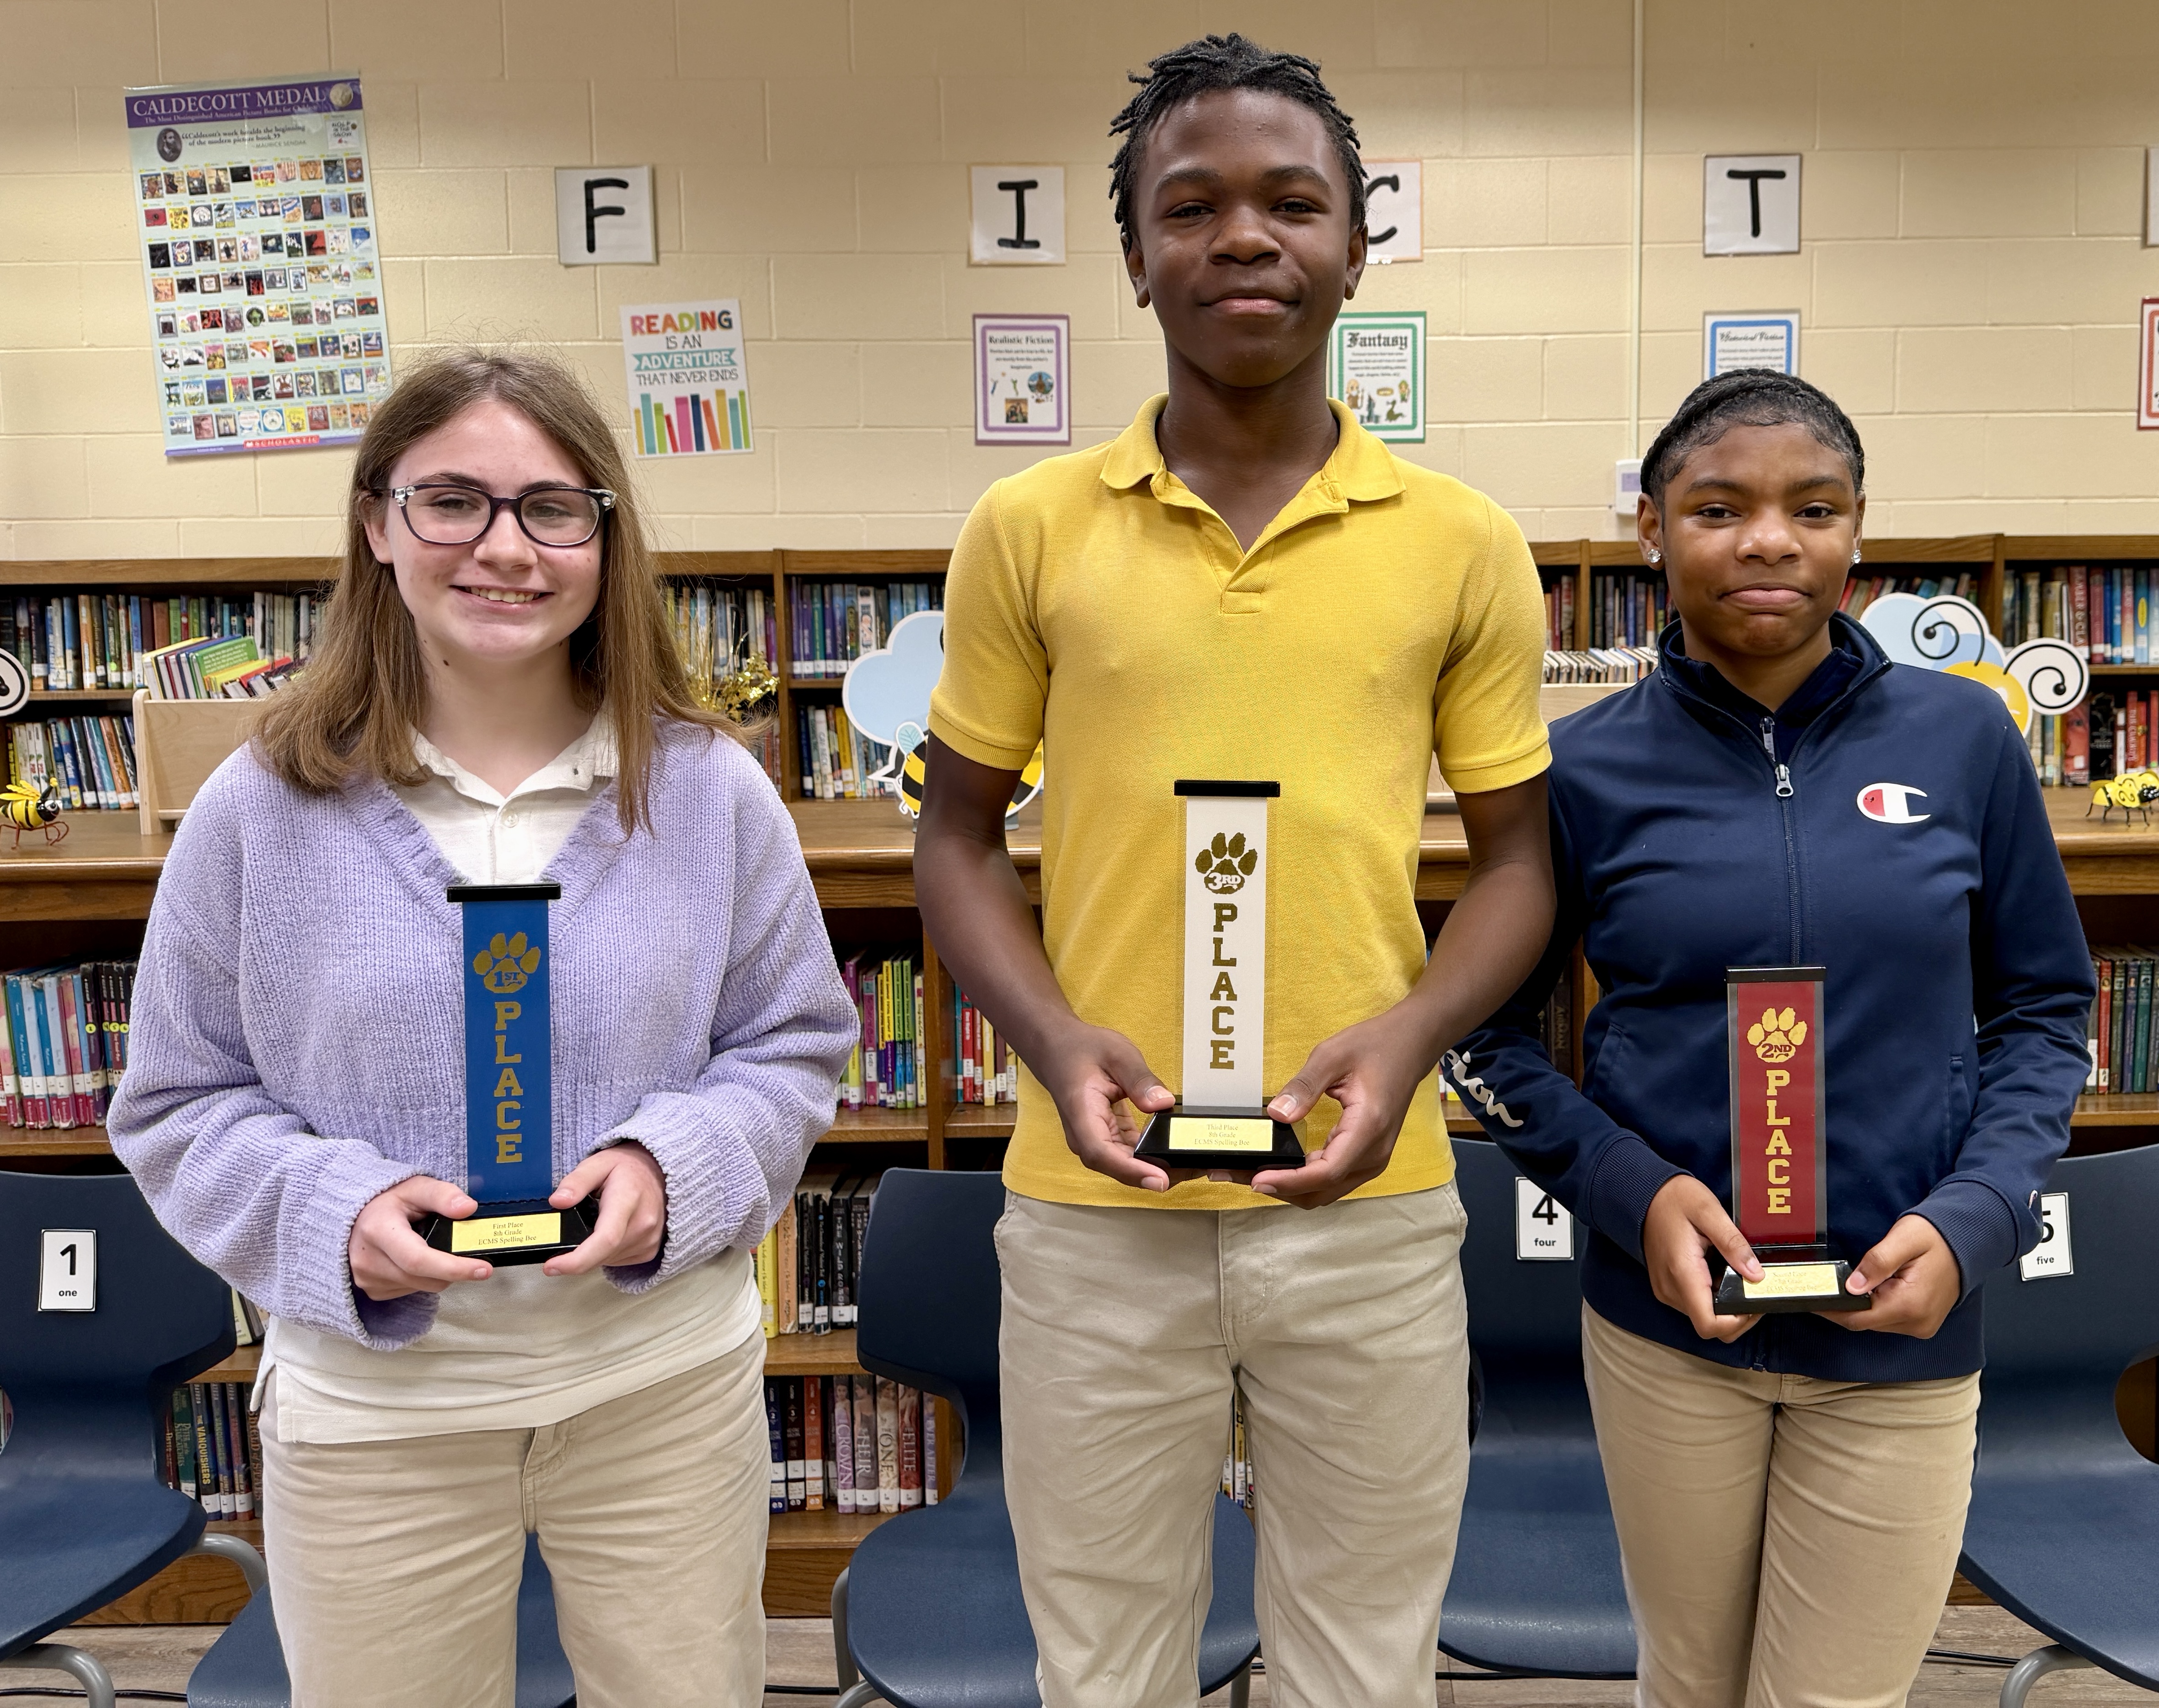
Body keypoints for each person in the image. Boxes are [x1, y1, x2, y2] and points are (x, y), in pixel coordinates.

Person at [913, 34, 1556, 1708]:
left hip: (1371, 1192)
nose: (1243, 237)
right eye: (1187, 207)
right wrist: (1056, 1052)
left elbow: (1515, 869)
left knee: (1364, 1659)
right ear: (1134, 257)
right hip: (1094, 1207)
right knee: (1105, 1659)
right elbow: (956, 841)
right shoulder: (1029, 528)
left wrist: (1407, 1041)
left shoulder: (1461, 540)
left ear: (1358, 242)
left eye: (1292, 202)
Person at [108, 348, 856, 1708]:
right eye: (452, 500)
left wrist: (670, 1170)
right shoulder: (260, 807)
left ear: (603, 540)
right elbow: (174, 1101)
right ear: (379, 523)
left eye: (551, 508)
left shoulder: (706, 793)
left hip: (661, 1398)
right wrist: (333, 1209)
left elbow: (792, 1046)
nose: (503, 547)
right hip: (376, 1420)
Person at [1448, 370, 2095, 1708]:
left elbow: (2043, 1011)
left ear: (1857, 529)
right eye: (1716, 507)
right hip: (1669, 1334)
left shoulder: (1967, 740)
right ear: (1649, 530)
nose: (1765, 540)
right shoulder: (1580, 770)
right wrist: (1637, 1197)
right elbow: (1489, 1044)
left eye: (1811, 507)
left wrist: (1977, 1212)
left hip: (1904, 1322)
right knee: (1688, 1687)